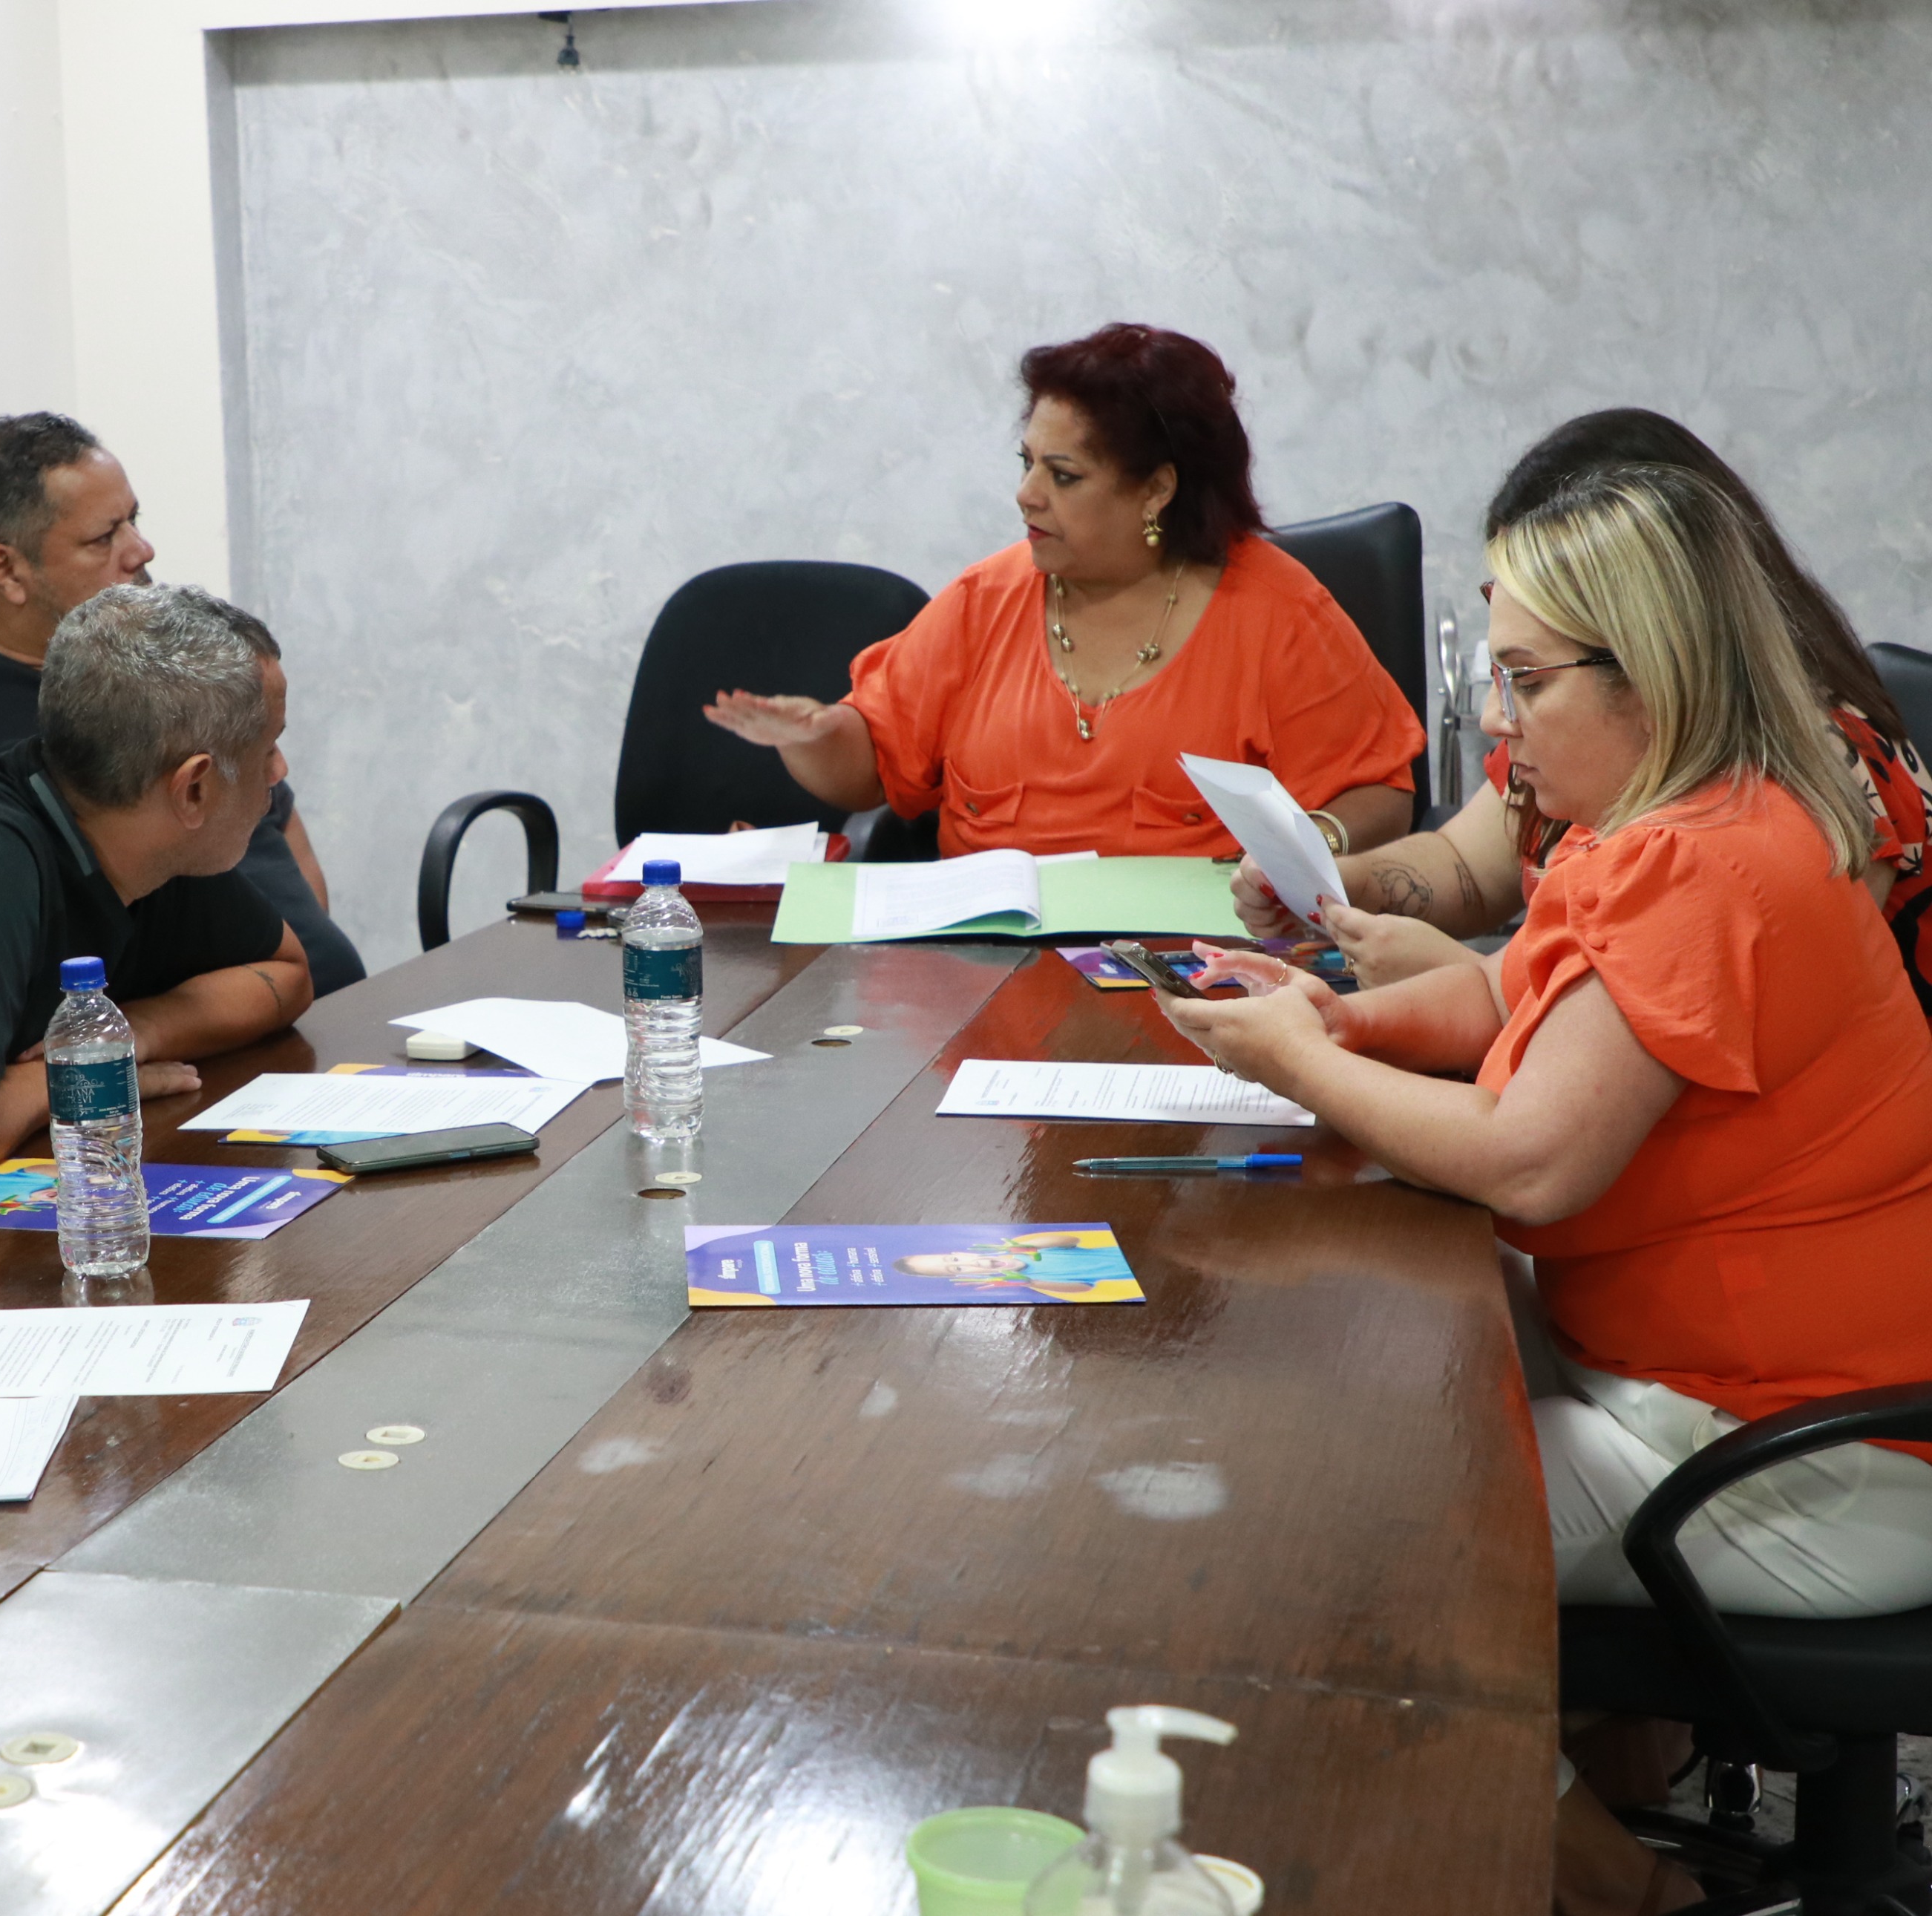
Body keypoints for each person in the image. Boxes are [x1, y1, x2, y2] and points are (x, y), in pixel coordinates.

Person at [1157, 465, 1932, 1916]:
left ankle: (1628, 1896)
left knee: (1331, 1557)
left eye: (1522, 681)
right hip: (1726, 1399)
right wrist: (1333, 1019)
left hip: (1808, 1464)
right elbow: (1503, 999)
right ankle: (1587, 1798)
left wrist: (1301, 1064)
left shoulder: (1713, 864)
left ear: (1651, 671)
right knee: (1367, 1430)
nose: (1496, 726)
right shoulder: (1661, 825)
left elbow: (1530, 1154)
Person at [1235, 408, 1932, 1004]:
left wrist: (1477, 988)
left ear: (1647, 632)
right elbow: (1468, 866)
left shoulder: (1805, 786)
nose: (1496, 717)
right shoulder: (1590, 726)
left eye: (1531, 677)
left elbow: (1705, 1034)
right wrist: (1337, 886)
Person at [701, 324, 1424, 859]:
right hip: (979, 968)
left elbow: (1380, 795)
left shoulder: (1279, 614)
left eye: (1062, 475)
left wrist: (1309, 845)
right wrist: (817, 736)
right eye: (1025, 464)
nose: (1026, 494)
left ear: (1156, 490)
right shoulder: (982, 600)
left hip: (1195, 973)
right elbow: (868, 772)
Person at [0, 583, 314, 1201]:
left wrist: (136, 1032)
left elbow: (287, 973)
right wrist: (76, 1076)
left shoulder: (139, 831)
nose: (279, 770)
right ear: (194, 789)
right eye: (268, 746)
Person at [0, 413, 366, 992]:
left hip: (304, 1003)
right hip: (160, 1032)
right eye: (104, 537)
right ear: (6, 569)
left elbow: (280, 823)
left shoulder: (182, 670)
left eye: (134, 520)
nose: (141, 550)